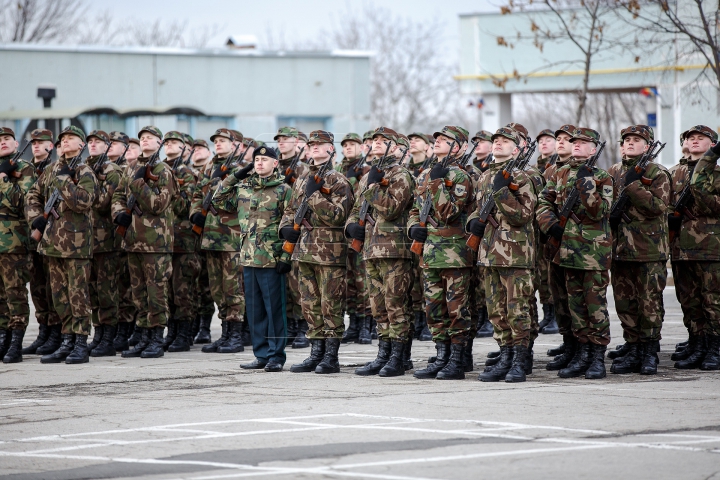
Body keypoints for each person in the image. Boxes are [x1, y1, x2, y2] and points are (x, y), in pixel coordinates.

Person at [537, 127, 613, 379]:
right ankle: (582, 353)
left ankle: (597, 357)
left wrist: (587, 183)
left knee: (595, 307)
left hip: (593, 254)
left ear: (594, 149)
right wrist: (551, 225)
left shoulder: (603, 177)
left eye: (583, 143)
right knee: (576, 306)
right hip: (566, 251)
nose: (576, 145)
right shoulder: (558, 173)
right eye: (574, 142)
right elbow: (544, 201)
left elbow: (599, 212)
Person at [280, 130, 354, 374]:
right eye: (311, 144)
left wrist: (314, 196)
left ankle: (330, 356)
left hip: (329, 253)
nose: (313, 148)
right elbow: (290, 210)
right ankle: (316, 352)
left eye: (319, 145)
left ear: (331, 149)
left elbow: (338, 216)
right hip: (304, 250)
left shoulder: (338, 181)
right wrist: (286, 230)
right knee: (309, 304)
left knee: (330, 303)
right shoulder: (302, 179)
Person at [468, 127, 537, 382]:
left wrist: (503, 191)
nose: (498, 144)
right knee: (496, 310)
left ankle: (520, 360)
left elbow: (523, 214)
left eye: (505, 141)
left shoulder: (520, 177)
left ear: (516, 149)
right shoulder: (485, 176)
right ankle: (505, 356)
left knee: (516, 309)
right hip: (489, 252)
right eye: (495, 140)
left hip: (515, 253)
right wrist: (473, 222)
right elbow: (478, 209)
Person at [345, 127, 415, 377]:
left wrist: (373, 186)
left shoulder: (401, 174)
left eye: (383, 141)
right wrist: (351, 226)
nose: (376, 144)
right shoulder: (368, 176)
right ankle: (383, 353)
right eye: (374, 140)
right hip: (371, 248)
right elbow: (356, 208)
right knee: (378, 306)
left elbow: (392, 209)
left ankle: (398, 356)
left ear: (396, 147)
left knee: (395, 303)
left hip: (395, 249)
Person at [216, 146, 293, 372]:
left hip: (271, 259)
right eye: (256, 160)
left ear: (275, 164)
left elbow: (290, 224)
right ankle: (260, 354)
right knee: (255, 310)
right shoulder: (243, 188)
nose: (259, 163)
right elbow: (218, 199)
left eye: (264, 160)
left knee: (274, 310)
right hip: (248, 258)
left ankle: (276, 356)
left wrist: (286, 257)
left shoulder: (283, 190)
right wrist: (236, 175)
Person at [27, 125, 98, 364]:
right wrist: (35, 216)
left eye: (72, 138)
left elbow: (84, 201)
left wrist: (65, 181)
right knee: (59, 295)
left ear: (81, 145)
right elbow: (32, 195)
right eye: (63, 139)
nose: (66, 142)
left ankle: (80, 342)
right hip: (51, 242)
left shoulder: (84, 171)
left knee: (78, 294)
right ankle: (66, 339)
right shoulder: (51, 170)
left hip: (76, 244)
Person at [409, 126, 475, 380]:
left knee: (456, 309)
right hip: (430, 252)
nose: (437, 142)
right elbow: (416, 209)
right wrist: (414, 227)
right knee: (434, 309)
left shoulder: (460, 177)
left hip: (455, 252)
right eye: (436, 139)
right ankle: (442, 356)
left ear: (457, 147)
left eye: (445, 140)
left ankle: (457, 362)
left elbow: (450, 213)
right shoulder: (426, 173)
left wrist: (437, 182)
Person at [607, 125, 670, 375]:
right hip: (620, 248)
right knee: (625, 302)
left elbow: (659, 207)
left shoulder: (658, 172)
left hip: (649, 248)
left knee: (649, 302)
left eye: (636, 140)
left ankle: (649, 351)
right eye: (627, 140)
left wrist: (634, 187)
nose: (630, 144)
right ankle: (632, 347)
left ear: (648, 146)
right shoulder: (613, 172)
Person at [112, 125, 176, 359]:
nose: (145, 140)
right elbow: (118, 195)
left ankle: (156, 338)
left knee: (156, 291)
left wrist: (139, 184)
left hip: (156, 243)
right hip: (132, 241)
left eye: (150, 138)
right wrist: (118, 213)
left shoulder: (163, 170)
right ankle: (144, 336)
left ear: (159, 143)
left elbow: (158, 204)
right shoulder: (131, 168)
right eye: (142, 138)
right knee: (138, 293)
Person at [189, 129, 246, 354]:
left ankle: (236, 335)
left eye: (223, 141)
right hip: (211, 237)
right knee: (217, 288)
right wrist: (195, 213)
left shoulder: (241, 170)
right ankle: (224, 333)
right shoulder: (208, 168)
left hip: (231, 237)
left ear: (235, 145)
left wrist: (221, 184)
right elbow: (196, 195)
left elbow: (240, 201)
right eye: (216, 141)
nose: (218, 144)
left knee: (233, 287)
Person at [669, 125, 720, 370]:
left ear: (713, 145)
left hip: (711, 247)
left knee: (713, 300)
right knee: (689, 301)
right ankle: (697, 342)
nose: (695, 141)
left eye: (701, 138)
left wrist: (699, 198)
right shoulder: (673, 174)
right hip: (680, 248)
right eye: (691, 137)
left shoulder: (717, 175)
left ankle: (715, 347)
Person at [22, 129, 62, 357]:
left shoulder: (56, 170)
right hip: (30, 234)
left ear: (51, 146)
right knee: (37, 286)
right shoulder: (24, 170)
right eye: (33, 143)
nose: (36, 146)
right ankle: (44, 331)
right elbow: (27, 200)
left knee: (51, 285)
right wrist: (34, 220)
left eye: (42, 143)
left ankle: (56, 332)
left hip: (54, 235)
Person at [85, 130, 124, 357]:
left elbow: (100, 202)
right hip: (87, 240)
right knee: (92, 290)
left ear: (107, 146)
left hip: (107, 240)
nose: (92, 145)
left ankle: (108, 337)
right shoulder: (85, 170)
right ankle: (98, 333)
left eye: (97, 142)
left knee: (107, 290)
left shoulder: (112, 171)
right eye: (90, 142)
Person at [161, 131, 200, 352]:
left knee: (182, 288)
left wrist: (168, 189)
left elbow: (184, 206)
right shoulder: (160, 170)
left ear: (184, 148)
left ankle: (184, 334)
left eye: (174, 143)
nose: (169, 146)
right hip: (163, 240)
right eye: (166, 142)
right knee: (168, 290)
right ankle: (173, 331)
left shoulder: (185, 173)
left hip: (183, 240)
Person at [0, 128, 35, 363]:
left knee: (15, 294)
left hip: (14, 243)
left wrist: (3, 180)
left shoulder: (24, 169)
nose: (2, 143)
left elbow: (22, 202)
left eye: (6, 139)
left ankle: (16, 340)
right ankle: (2, 336)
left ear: (15, 142)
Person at [274, 127, 310, 348]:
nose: (281, 142)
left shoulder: (302, 168)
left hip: (295, 228)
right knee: (283, 282)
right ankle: (290, 326)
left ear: (296, 142)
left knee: (298, 282)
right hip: (275, 228)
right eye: (279, 139)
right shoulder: (273, 164)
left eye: (286, 139)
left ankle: (303, 326)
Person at [104, 131, 137, 352]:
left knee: (130, 288)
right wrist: (118, 213)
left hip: (140, 237)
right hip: (114, 236)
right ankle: (117, 331)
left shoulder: (122, 172)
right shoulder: (120, 172)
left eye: (114, 143)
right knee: (115, 286)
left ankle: (131, 330)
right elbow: (116, 199)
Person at [338, 132, 371, 345]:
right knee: (349, 281)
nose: (348, 148)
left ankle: (367, 325)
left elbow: (361, 196)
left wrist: (354, 176)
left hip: (361, 230)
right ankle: (355, 323)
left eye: (353, 144)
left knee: (362, 281)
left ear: (361, 147)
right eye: (345, 145)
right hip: (343, 232)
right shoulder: (338, 169)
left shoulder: (367, 170)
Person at [534, 129, 558, 335]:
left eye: (548, 140)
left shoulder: (557, 168)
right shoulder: (535, 168)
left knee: (550, 274)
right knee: (541, 275)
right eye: (540, 141)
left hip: (552, 228)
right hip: (537, 230)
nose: (544, 143)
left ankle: (555, 315)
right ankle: (547, 314)